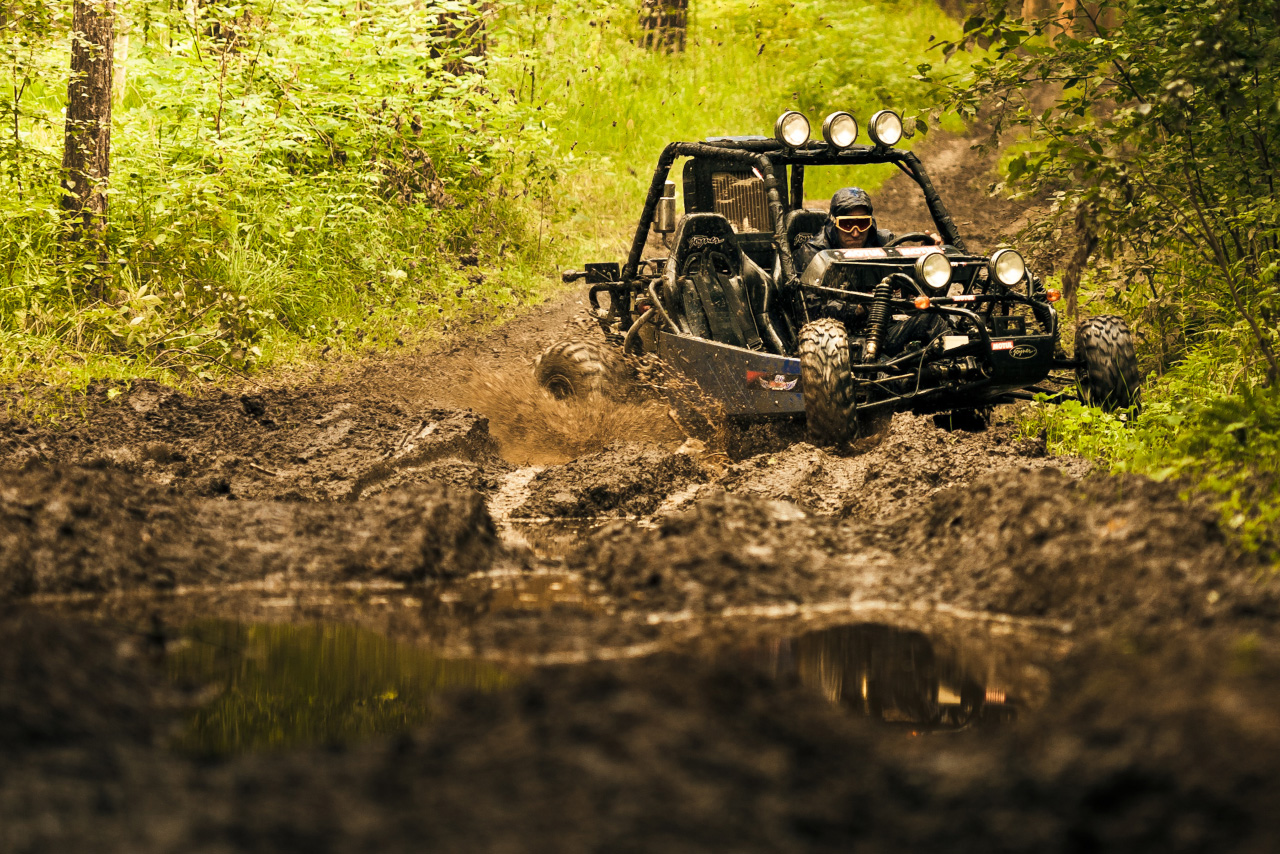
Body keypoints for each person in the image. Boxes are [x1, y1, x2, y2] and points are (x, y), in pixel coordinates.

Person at [795, 187, 946, 357]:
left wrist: (924, 259)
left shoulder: (883, 242)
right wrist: (859, 309)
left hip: (884, 329)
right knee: (880, 369)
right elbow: (808, 309)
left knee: (933, 320)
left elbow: (912, 284)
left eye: (862, 224)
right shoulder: (813, 253)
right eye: (847, 224)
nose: (855, 232)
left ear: (871, 223)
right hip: (838, 338)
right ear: (833, 225)